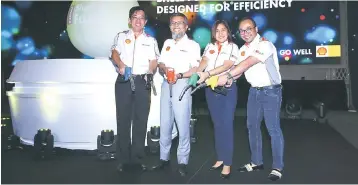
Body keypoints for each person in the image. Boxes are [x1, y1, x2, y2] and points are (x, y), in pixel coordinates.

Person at [215, 17, 284, 181]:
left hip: (271, 91)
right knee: (252, 126)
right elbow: (237, 70)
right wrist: (226, 78)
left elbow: (247, 64)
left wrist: (227, 76)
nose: (245, 33)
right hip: (254, 92)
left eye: (249, 29)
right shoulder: (243, 49)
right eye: (242, 30)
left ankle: (277, 167)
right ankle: (256, 162)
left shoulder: (265, 45)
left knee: (273, 129)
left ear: (256, 29)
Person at [110, 6, 159, 173]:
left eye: (141, 18)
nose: (138, 20)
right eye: (135, 17)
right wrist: (121, 65)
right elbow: (114, 53)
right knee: (123, 120)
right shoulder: (121, 36)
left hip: (142, 81)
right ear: (130, 20)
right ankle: (123, 159)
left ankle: (138, 159)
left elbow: (154, 60)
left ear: (145, 22)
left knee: (140, 120)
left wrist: (150, 72)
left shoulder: (151, 40)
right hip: (124, 80)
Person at [151, 13, 201, 176]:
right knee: (165, 124)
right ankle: (164, 159)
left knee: (183, 125)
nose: (176, 25)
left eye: (180, 23)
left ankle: (182, 161)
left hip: (182, 84)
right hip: (166, 84)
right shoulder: (167, 43)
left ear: (186, 26)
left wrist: (179, 75)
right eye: (173, 23)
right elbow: (161, 63)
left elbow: (196, 69)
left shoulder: (193, 45)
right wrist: (164, 69)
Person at [193, 20, 240, 179]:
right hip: (210, 89)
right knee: (217, 125)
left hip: (227, 90)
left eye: (223, 30)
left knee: (226, 126)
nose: (220, 33)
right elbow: (204, 61)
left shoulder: (233, 47)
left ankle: (227, 163)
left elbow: (227, 65)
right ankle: (220, 158)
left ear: (228, 31)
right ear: (214, 33)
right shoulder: (210, 46)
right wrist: (198, 73)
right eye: (217, 30)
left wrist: (208, 73)